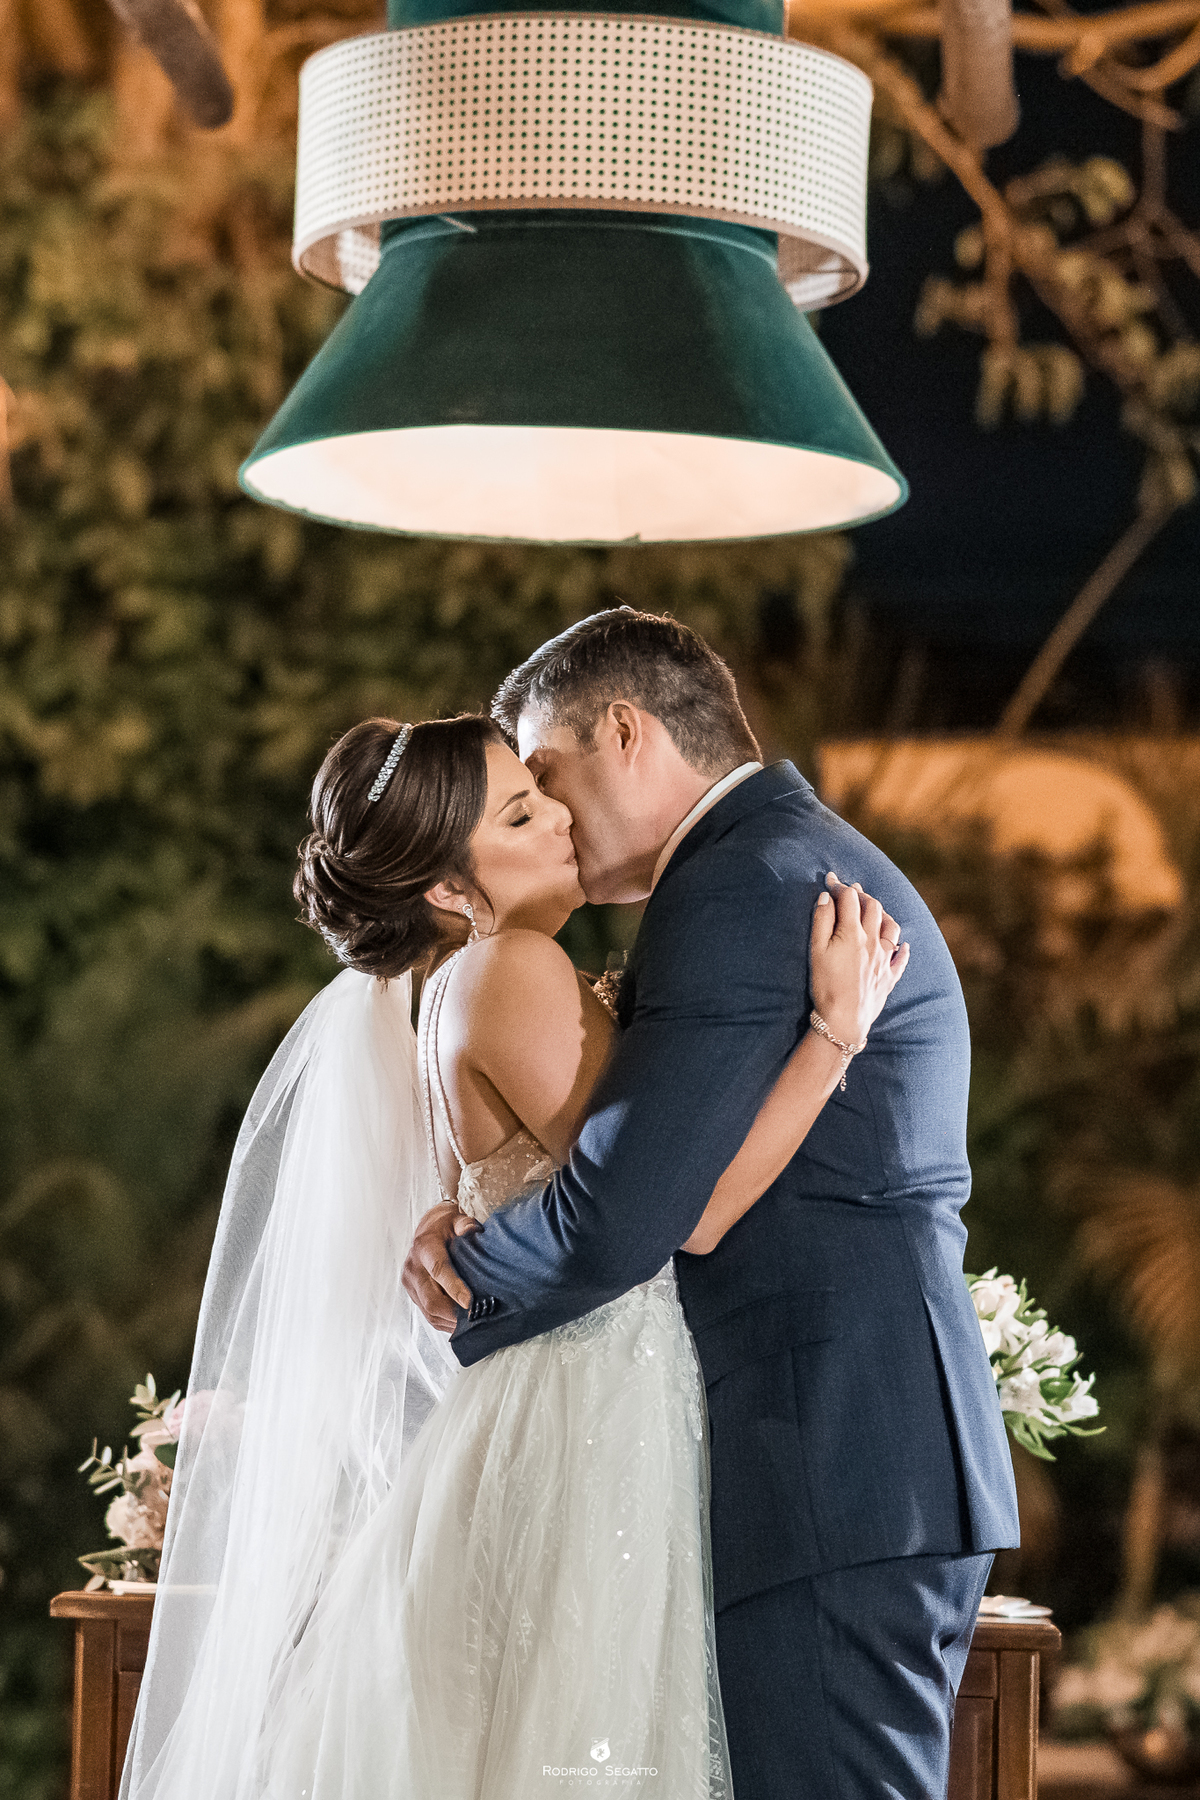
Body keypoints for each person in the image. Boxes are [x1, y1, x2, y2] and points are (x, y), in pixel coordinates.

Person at [117, 708, 906, 1800]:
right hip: (587, 1402)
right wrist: (835, 1034)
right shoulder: (513, 969)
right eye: (522, 815)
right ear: (452, 887)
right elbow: (690, 1214)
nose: (563, 820)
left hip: (559, 1392)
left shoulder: (468, 983)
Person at [404, 608, 1022, 1800]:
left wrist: (466, 1269)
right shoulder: (779, 859)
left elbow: (629, 1219)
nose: (551, 816)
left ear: (624, 733)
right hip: (852, 1460)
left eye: (544, 776)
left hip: (829, 1460)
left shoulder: (740, 884)